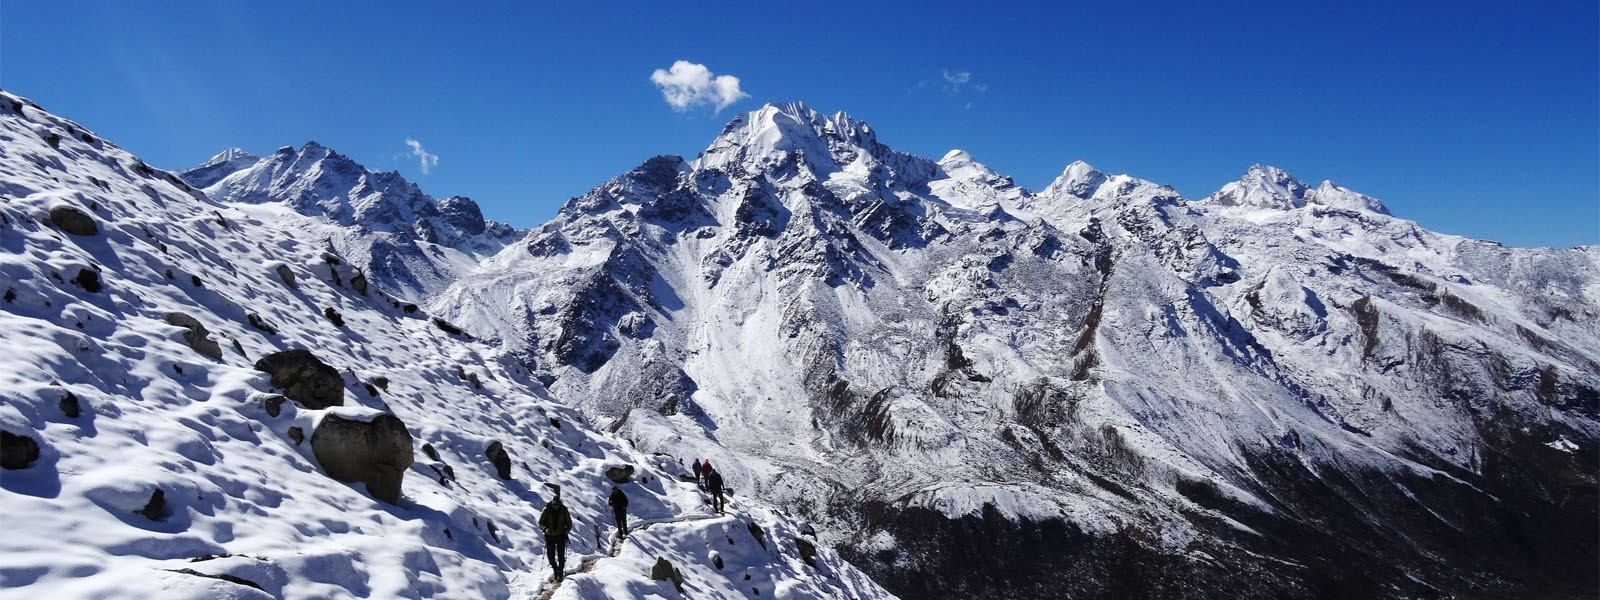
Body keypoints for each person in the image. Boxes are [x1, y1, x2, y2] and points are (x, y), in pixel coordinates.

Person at [539, 494, 573, 580]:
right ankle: (555, 569)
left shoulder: (564, 510)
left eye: (557, 504)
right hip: (549, 536)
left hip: (561, 535)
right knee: (550, 555)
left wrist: (567, 530)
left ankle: (560, 573)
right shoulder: (546, 509)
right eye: (554, 504)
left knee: (561, 555)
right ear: (552, 503)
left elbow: (569, 522)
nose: (555, 506)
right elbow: (540, 522)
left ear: (559, 503)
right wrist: (544, 529)